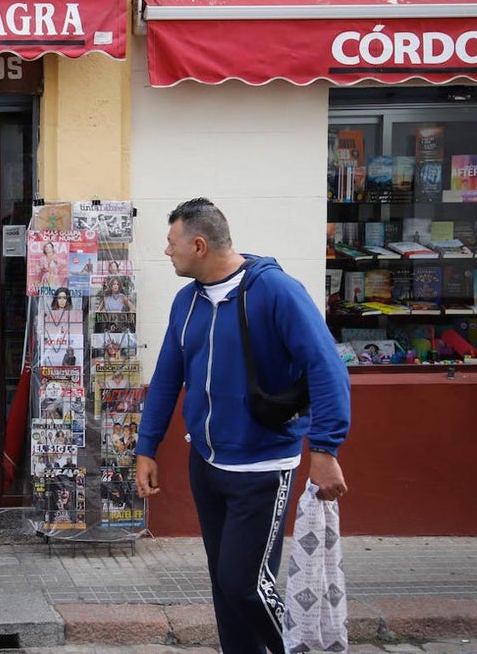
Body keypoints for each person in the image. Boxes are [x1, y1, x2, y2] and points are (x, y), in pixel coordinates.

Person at [135, 197, 350, 654]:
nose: (166, 251)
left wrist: (325, 450)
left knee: (244, 582)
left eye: (171, 243)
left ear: (198, 244)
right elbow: (168, 376)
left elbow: (326, 367)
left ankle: (298, 648)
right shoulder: (187, 301)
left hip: (262, 466)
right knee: (225, 584)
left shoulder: (275, 291)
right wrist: (146, 447)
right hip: (208, 463)